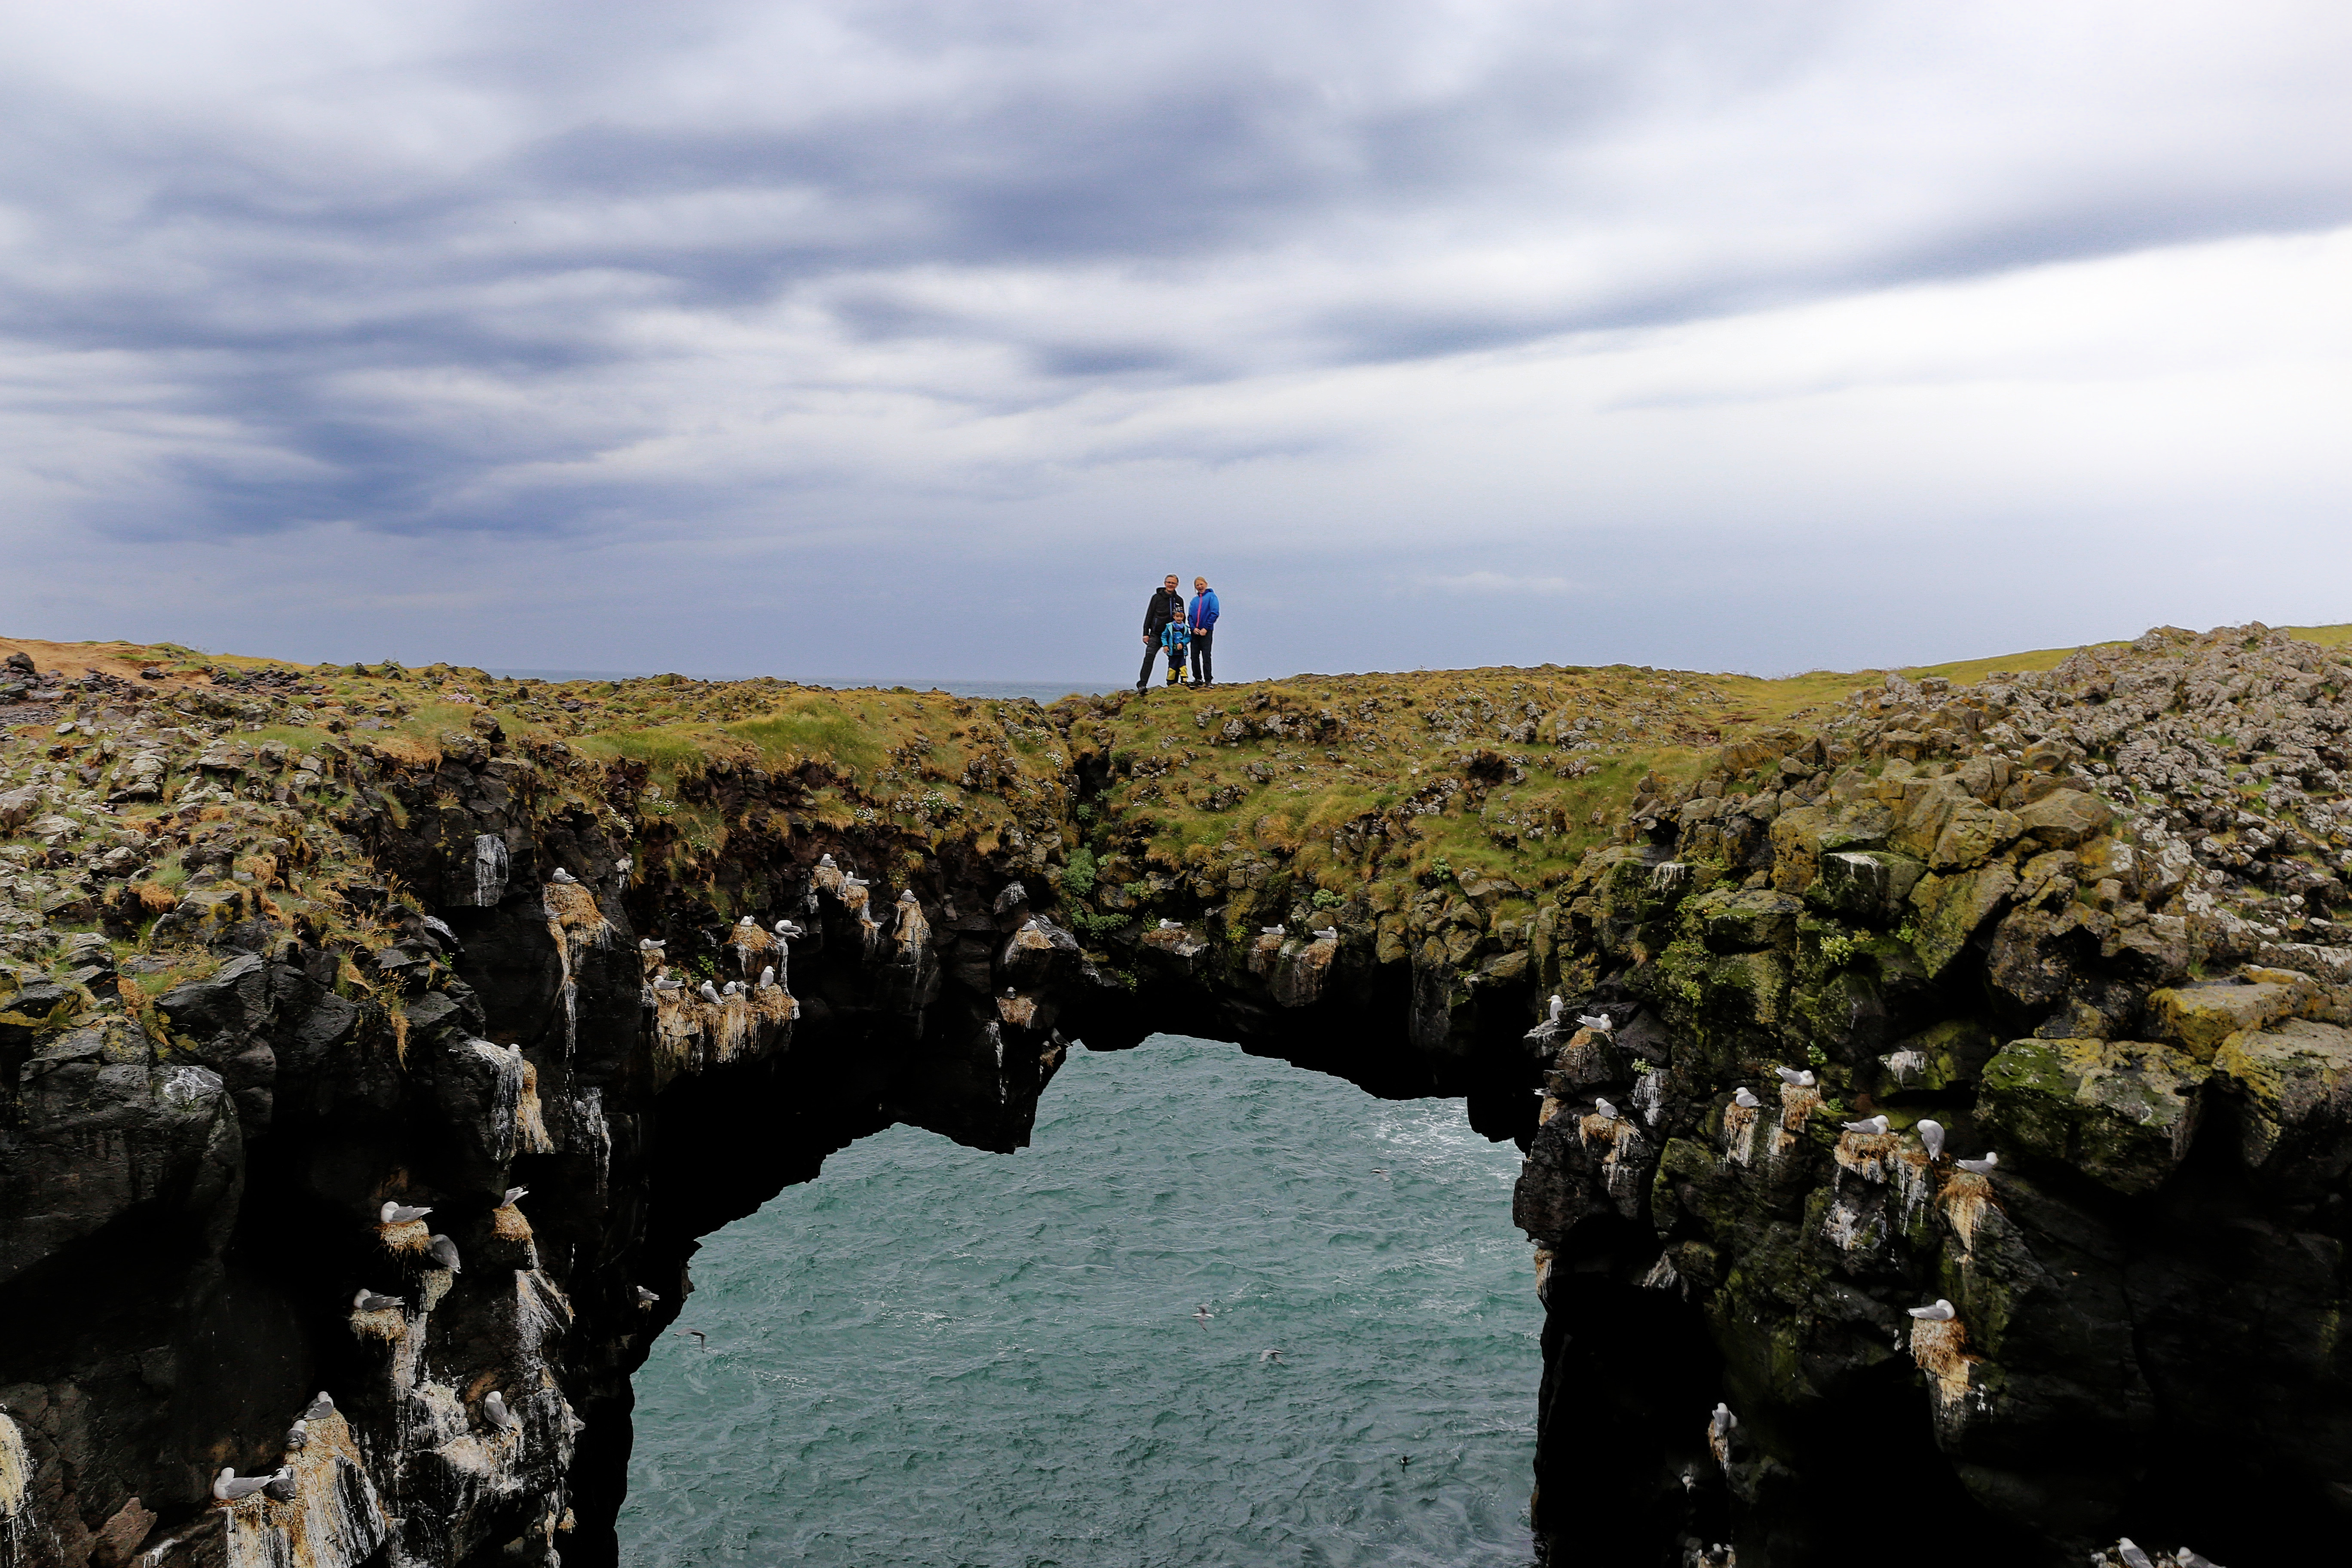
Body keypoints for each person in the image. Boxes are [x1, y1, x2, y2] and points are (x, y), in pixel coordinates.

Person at [1137, 574, 1185, 692]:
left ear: (1177, 585)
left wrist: (1183, 635)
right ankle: (1142, 685)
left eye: (1173, 583)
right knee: (1149, 657)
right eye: (1169, 582)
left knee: (1175, 660)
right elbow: (1149, 615)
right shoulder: (1156, 598)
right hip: (1156, 634)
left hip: (1173, 636)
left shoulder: (1179, 600)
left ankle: (1173, 685)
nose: (1170, 585)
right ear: (1165, 583)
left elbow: (1183, 618)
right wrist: (1145, 633)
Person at [1186, 576, 1220, 686]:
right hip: (1195, 632)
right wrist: (1193, 628)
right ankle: (1198, 679)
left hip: (1207, 631)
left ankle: (1208, 680)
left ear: (1206, 584)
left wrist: (1206, 628)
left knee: (1206, 655)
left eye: (1201, 584)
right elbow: (1190, 616)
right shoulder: (1194, 601)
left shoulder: (1212, 597)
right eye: (1197, 585)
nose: (1200, 587)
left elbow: (1215, 613)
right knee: (1194, 655)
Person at [1160, 613, 1191, 685]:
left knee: (1183, 667)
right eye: (1177, 617)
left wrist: (1182, 643)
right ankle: (1170, 683)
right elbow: (1164, 636)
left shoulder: (1185, 628)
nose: (1179, 618)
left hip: (1182, 653)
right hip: (1172, 652)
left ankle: (1184, 681)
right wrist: (1165, 645)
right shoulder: (1170, 626)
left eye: (1181, 617)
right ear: (1174, 617)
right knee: (1172, 668)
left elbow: (1188, 637)